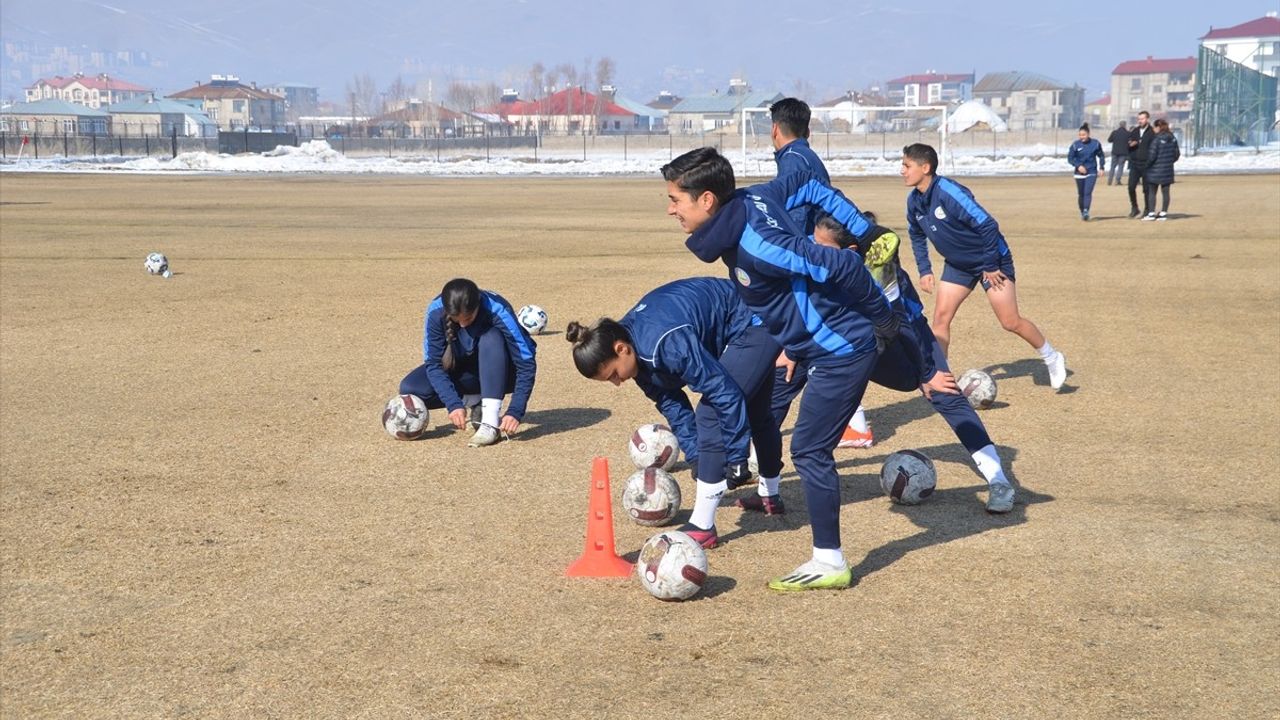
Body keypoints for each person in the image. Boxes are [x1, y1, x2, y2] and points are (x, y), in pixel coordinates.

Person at [663, 146, 899, 592]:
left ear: (708, 200)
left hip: (840, 348)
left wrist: (883, 314)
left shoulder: (760, 244)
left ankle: (830, 562)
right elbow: (806, 182)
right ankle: (772, 502)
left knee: (809, 450)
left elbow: (843, 264)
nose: (671, 209)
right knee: (776, 416)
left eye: (676, 199)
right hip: (815, 346)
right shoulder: (753, 199)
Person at [806, 214, 1018, 512]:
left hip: (905, 337)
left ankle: (999, 482)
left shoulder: (880, 271)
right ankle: (762, 470)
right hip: (859, 344)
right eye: (812, 240)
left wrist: (926, 373)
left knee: (946, 393)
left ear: (850, 252)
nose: (812, 248)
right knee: (793, 371)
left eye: (821, 245)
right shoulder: (811, 252)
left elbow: (903, 325)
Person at [565, 277, 786, 549]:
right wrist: (696, 456)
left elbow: (723, 392)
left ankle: (703, 527)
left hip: (754, 321)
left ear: (621, 349)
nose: (617, 383)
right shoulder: (631, 348)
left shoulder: (664, 343)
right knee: (758, 413)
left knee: (710, 413)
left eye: (612, 375)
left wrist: (737, 457)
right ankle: (770, 497)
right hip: (741, 323)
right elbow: (673, 405)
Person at [901, 143, 1067, 390]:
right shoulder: (914, 201)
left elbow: (988, 225)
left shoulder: (948, 192)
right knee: (940, 319)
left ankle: (1052, 357)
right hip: (958, 265)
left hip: (991, 262)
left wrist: (989, 264)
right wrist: (925, 270)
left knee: (1010, 321)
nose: (902, 170)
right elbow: (916, 235)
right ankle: (942, 379)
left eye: (906, 165)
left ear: (925, 168)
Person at [770, 96, 873, 448]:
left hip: (810, 265)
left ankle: (760, 444)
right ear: (808, 129)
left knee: (802, 350)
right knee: (824, 345)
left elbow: (794, 222)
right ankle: (853, 423)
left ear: (774, 130)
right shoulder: (808, 157)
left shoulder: (794, 163)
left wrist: (787, 264)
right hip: (822, 262)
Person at [398, 278, 536, 447]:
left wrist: (515, 410)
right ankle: (474, 401)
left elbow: (526, 363)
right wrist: (453, 404)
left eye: (469, 318)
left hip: (503, 374)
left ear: (478, 304)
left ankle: (490, 424)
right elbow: (434, 365)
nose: (462, 324)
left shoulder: (497, 308)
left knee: (491, 338)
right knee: (411, 389)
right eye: (456, 319)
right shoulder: (435, 311)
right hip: (467, 374)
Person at [1142, 119, 1180, 221]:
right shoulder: (1173, 138)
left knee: (1152, 192)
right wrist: (1168, 162)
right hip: (1167, 169)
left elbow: (1152, 156)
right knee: (1166, 192)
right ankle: (1163, 213)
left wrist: (1146, 165)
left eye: (1154, 127)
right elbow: (1177, 154)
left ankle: (1151, 213)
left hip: (1155, 169)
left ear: (1158, 127)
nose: (1153, 129)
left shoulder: (1157, 139)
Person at [1067, 123, 1105, 221]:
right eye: (1080, 135)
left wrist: (1101, 167)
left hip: (1091, 171)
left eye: (1083, 135)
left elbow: (1101, 155)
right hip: (1079, 173)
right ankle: (1082, 211)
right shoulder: (1076, 145)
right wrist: (1078, 166)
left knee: (1088, 192)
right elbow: (1070, 158)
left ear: (1088, 134)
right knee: (1081, 194)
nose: (1082, 137)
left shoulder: (1095, 143)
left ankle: (1086, 211)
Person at [1127, 111, 1157, 218]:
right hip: (1135, 164)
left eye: (1142, 119)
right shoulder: (1135, 131)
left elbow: (1154, 147)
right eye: (1139, 119)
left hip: (1147, 165)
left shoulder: (1152, 132)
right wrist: (1130, 144)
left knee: (1146, 189)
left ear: (1147, 119)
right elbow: (1128, 143)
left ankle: (1147, 209)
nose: (1140, 121)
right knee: (1131, 187)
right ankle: (1134, 208)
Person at [1106, 121, 1129, 186]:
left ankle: (1109, 181)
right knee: (1120, 167)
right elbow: (1130, 142)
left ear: (1119, 125)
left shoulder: (1114, 132)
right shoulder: (1127, 133)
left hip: (1115, 152)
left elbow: (1109, 140)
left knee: (1112, 166)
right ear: (1125, 125)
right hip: (1123, 152)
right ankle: (1117, 180)